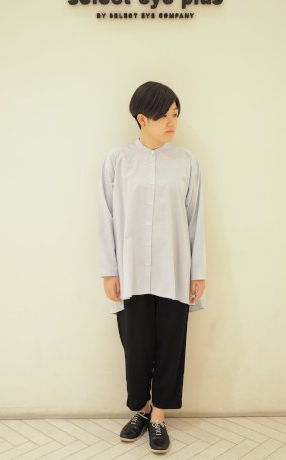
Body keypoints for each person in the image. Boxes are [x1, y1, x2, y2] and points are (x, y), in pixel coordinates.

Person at [98, 81, 207, 454]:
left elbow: (195, 218)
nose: (172, 122)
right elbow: (106, 217)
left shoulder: (187, 162)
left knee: (171, 345)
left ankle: (159, 416)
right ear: (142, 119)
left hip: (174, 270)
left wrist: (197, 272)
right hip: (130, 272)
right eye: (163, 116)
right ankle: (141, 409)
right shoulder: (117, 161)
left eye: (175, 114)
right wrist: (109, 270)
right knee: (136, 345)